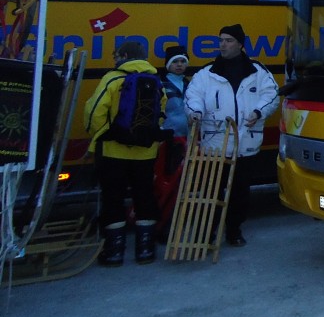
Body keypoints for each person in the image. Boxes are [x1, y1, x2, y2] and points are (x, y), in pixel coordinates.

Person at [184, 24, 279, 247]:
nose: (223, 44)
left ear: (240, 44)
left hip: (245, 142)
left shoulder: (258, 71)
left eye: (228, 40)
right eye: (221, 40)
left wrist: (259, 111)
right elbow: (193, 95)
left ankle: (234, 229)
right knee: (211, 191)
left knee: (239, 191)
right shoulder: (207, 73)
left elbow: (272, 95)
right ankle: (208, 231)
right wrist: (195, 112)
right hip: (214, 144)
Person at [84, 39, 164, 266]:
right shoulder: (156, 80)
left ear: (125, 56)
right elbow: (161, 113)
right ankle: (145, 250)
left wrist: (98, 136)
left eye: (117, 55)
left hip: (113, 151)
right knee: (144, 196)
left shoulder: (112, 79)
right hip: (145, 153)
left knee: (113, 198)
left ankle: (114, 252)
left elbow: (95, 112)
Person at [152, 44, 190, 242]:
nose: (179, 65)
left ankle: (173, 223)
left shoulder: (190, 83)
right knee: (165, 185)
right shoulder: (160, 84)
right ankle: (161, 226)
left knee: (181, 186)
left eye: (183, 61)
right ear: (168, 64)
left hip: (187, 141)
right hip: (169, 142)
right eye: (175, 61)